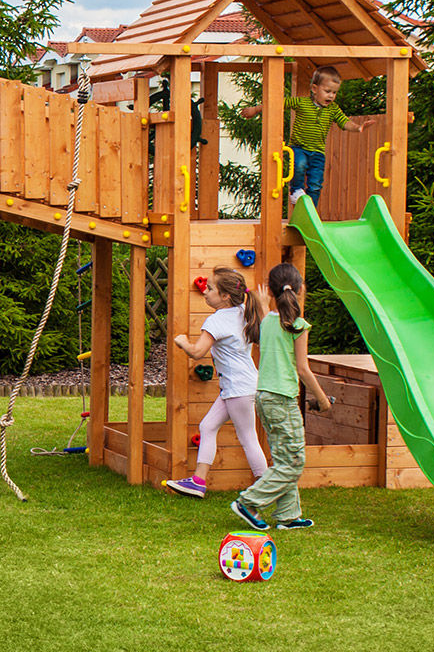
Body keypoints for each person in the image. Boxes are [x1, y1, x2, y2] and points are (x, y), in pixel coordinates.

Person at [230, 263, 335, 531]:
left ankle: (288, 516)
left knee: (283, 457)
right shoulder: (298, 325)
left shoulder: (268, 322)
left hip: (264, 397)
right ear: (300, 290)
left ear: (274, 292)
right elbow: (302, 368)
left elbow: (268, 318)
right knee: (294, 461)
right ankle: (249, 502)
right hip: (283, 399)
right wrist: (322, 399)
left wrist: (264, 303)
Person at [162, 268, 268, 498]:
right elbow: (255, 305)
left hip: (238, 388)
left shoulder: (217, 320)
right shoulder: (242, 311)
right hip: (238, 386)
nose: (205, 293)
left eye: (210, 289)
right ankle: (198, 481)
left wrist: (181, 342)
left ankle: (266, 487)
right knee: (207, 426)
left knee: (248, 437)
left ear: (225, 296)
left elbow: (198, 352)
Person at [241, 66, 374, 206]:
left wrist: (358, 127)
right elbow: (277, 104)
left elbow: (344, 122)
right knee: (299, 165)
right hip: (299, 148)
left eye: (334, 92)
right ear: (315, 89)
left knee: (316, 183)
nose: (331, 96)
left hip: (318, 152)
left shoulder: (333, 109)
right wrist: (255, 109)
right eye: (327, 91)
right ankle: (296, 190)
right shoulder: (302, 103)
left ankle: (310, 209)